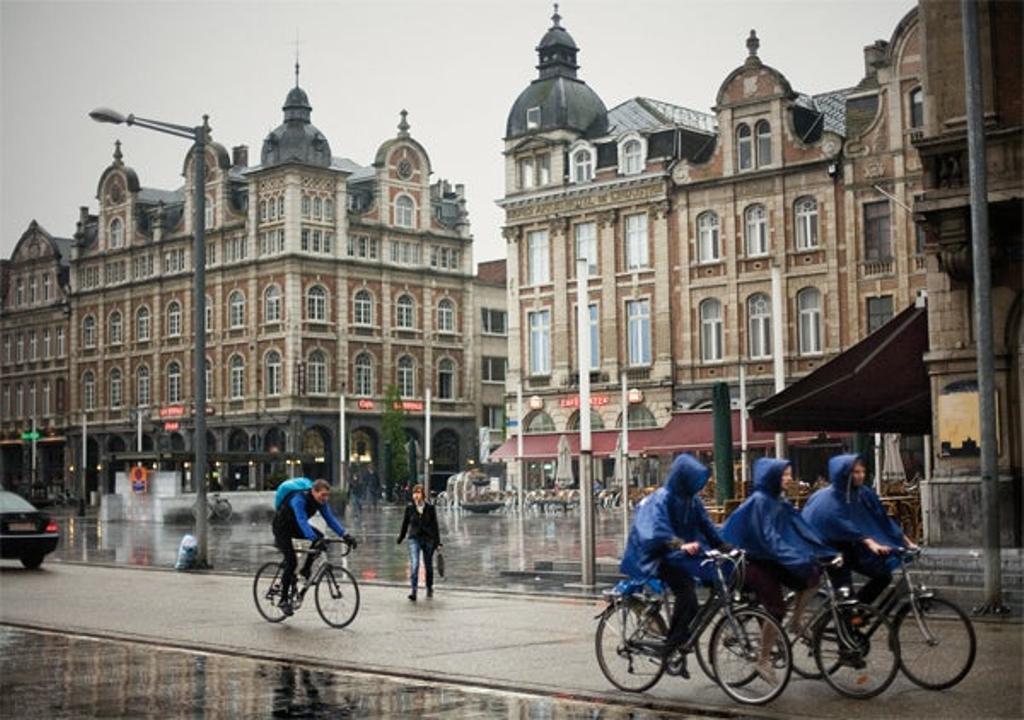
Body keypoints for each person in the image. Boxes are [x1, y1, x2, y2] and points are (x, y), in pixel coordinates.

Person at [722, 458, 836, 681]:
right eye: (785, 475)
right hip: (752, 561)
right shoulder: (760, 501)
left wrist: (823, 551)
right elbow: (769, 538)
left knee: (813, 577)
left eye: (789, 474)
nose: (790, 479)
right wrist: (797, 557)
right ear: (772, 477)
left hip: (772, 559)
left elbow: (802, 528)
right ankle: (763, 660)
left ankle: (796, 621)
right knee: (776, 609)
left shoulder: (779, 501)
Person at [620, 453, 731, 676]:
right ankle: (672, 645)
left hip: (678, 554)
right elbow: (655, 529)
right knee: (687, 593)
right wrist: (679, 544)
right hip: (657, 555)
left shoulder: (693, 500)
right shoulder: (662, 498)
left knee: (705, 584)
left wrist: (724, 546)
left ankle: (682, 640)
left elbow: (706, 526)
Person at [802, 453, 916, 605]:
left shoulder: (863, 493)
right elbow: (840, 522)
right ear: (845, 474)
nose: (861, 475)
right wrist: (870, 543)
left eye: (862, 471)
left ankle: (859, 613)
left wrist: (906, 542)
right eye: (856, 472)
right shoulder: (830, 498)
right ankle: (848, 620)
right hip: (829, 548)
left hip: (851, 544)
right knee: (846, 593)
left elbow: (881, 518)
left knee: (883, 575)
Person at [272, 478, 357, 616]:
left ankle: (306, 569)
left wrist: (345, 535)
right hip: (282, 528)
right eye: (322, 495)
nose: (325, 498)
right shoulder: (298, 499)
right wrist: (314, 538)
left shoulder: (321, 502)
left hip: (296, 526)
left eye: (327, 495)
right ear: (313, 491)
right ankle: (283, 600)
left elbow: (330, 520)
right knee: (292, 561)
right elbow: (301, 519)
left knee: (320, 537)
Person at [396, 483, 442, 601]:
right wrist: (401, 537)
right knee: (415, 564)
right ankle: (414, 591)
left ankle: (429, 587)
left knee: (428, 566)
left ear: (423, 495)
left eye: (418, 493)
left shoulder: (430, 508)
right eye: (414, 493)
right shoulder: (410, 508)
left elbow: (434, 526)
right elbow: (405, 524)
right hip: (414, 538)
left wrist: (438, 543)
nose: (416, 496)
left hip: (428, 539)